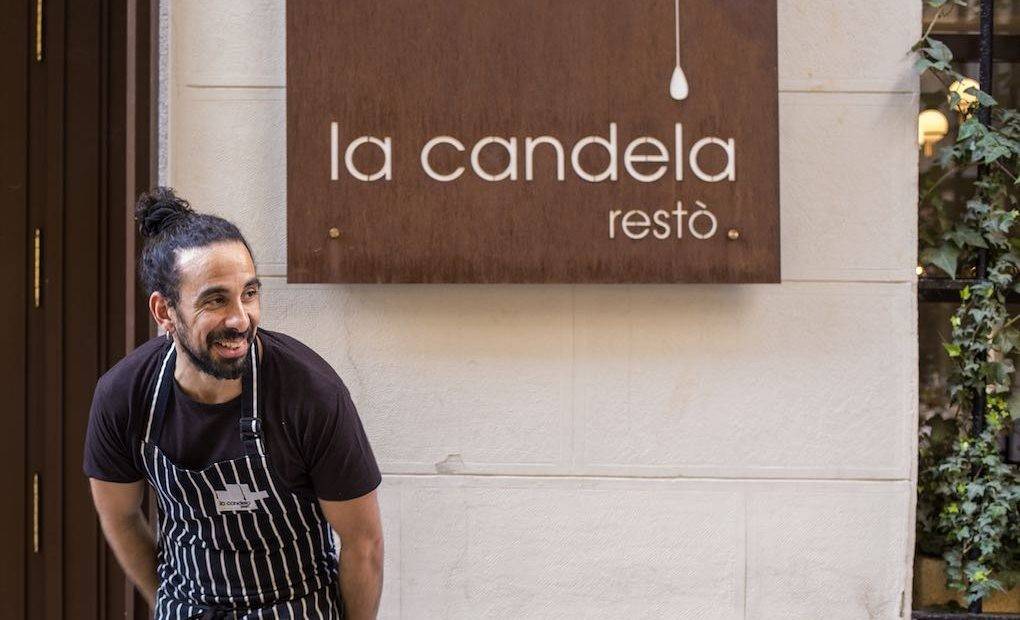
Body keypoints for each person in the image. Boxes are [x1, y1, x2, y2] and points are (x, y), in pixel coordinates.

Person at [84, 187, 384, 619]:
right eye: (215, 300)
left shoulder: (311, 393)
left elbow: (364, 545)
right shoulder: (124, 396)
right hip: (188, 604)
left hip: (296, 606)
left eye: (249, 293)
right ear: (164, 312)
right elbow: (120, 517)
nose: (240, 319)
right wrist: (169, 603)